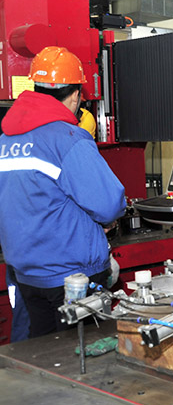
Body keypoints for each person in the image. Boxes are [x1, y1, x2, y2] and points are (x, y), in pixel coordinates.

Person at [0, 46, 126, 338]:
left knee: (43, 353)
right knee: (83, 355)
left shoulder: (6, 140)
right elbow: (109, 204)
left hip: (26, 275)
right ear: (75, 95)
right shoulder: (69, 139)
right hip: (73, 278)